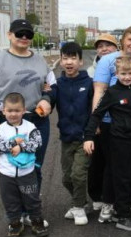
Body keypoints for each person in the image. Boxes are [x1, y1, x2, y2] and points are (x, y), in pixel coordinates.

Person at [92, 25, 131, 222]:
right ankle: (109, 204)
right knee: (113, 166)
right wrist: (96, 121)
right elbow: (100, 90)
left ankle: (128, 200)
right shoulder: (108, 61)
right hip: (112, 122)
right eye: (130, 39)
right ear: (123, 40)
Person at [0, 19, 50, 196]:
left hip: (37, 121)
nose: (24, 37)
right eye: (19, 33)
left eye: (29, 34)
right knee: (13, 168)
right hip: (9, 122)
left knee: (34, 166)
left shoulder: (40, 60)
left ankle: (31, 209)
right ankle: (16, 212)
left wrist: (47, 99)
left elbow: (51, 85)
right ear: (9, 35)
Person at [36, 42, 94, 226]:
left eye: (73, 58)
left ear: (81, 61)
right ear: (60, 61)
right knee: (66, 178)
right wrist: (44, 99)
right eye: (65, 58)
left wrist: (91, 134)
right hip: (66, 139)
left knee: (78, 175)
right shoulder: (58, 85)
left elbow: (95, 109)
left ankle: (78, 207)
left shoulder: (89, 83)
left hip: (84, 139)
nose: (69, 62)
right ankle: (82, 202)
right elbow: (49, 101)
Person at [0, 92, 48, 237]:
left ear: (24, 111)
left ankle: (36, 221)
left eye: (17, 110)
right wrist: (12, 142)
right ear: (3, 111)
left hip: (26, 173)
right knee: (10, 199)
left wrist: (21, 147)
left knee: (32, 198)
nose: (13, 114)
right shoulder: (1, 129)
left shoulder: (30, 127)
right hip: (6, 174)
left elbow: (37, 143)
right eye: (9, 110)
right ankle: (15, 223)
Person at [85, 33, 118, 213]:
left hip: (116, 121)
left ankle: (111, 197)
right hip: (97, 121)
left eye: (109, 45)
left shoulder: (122, 68)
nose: (104, 49)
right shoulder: (90, 72)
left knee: (114, 162)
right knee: (96, 162)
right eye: (100, 46)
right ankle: (97, 196)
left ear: (116, 48)